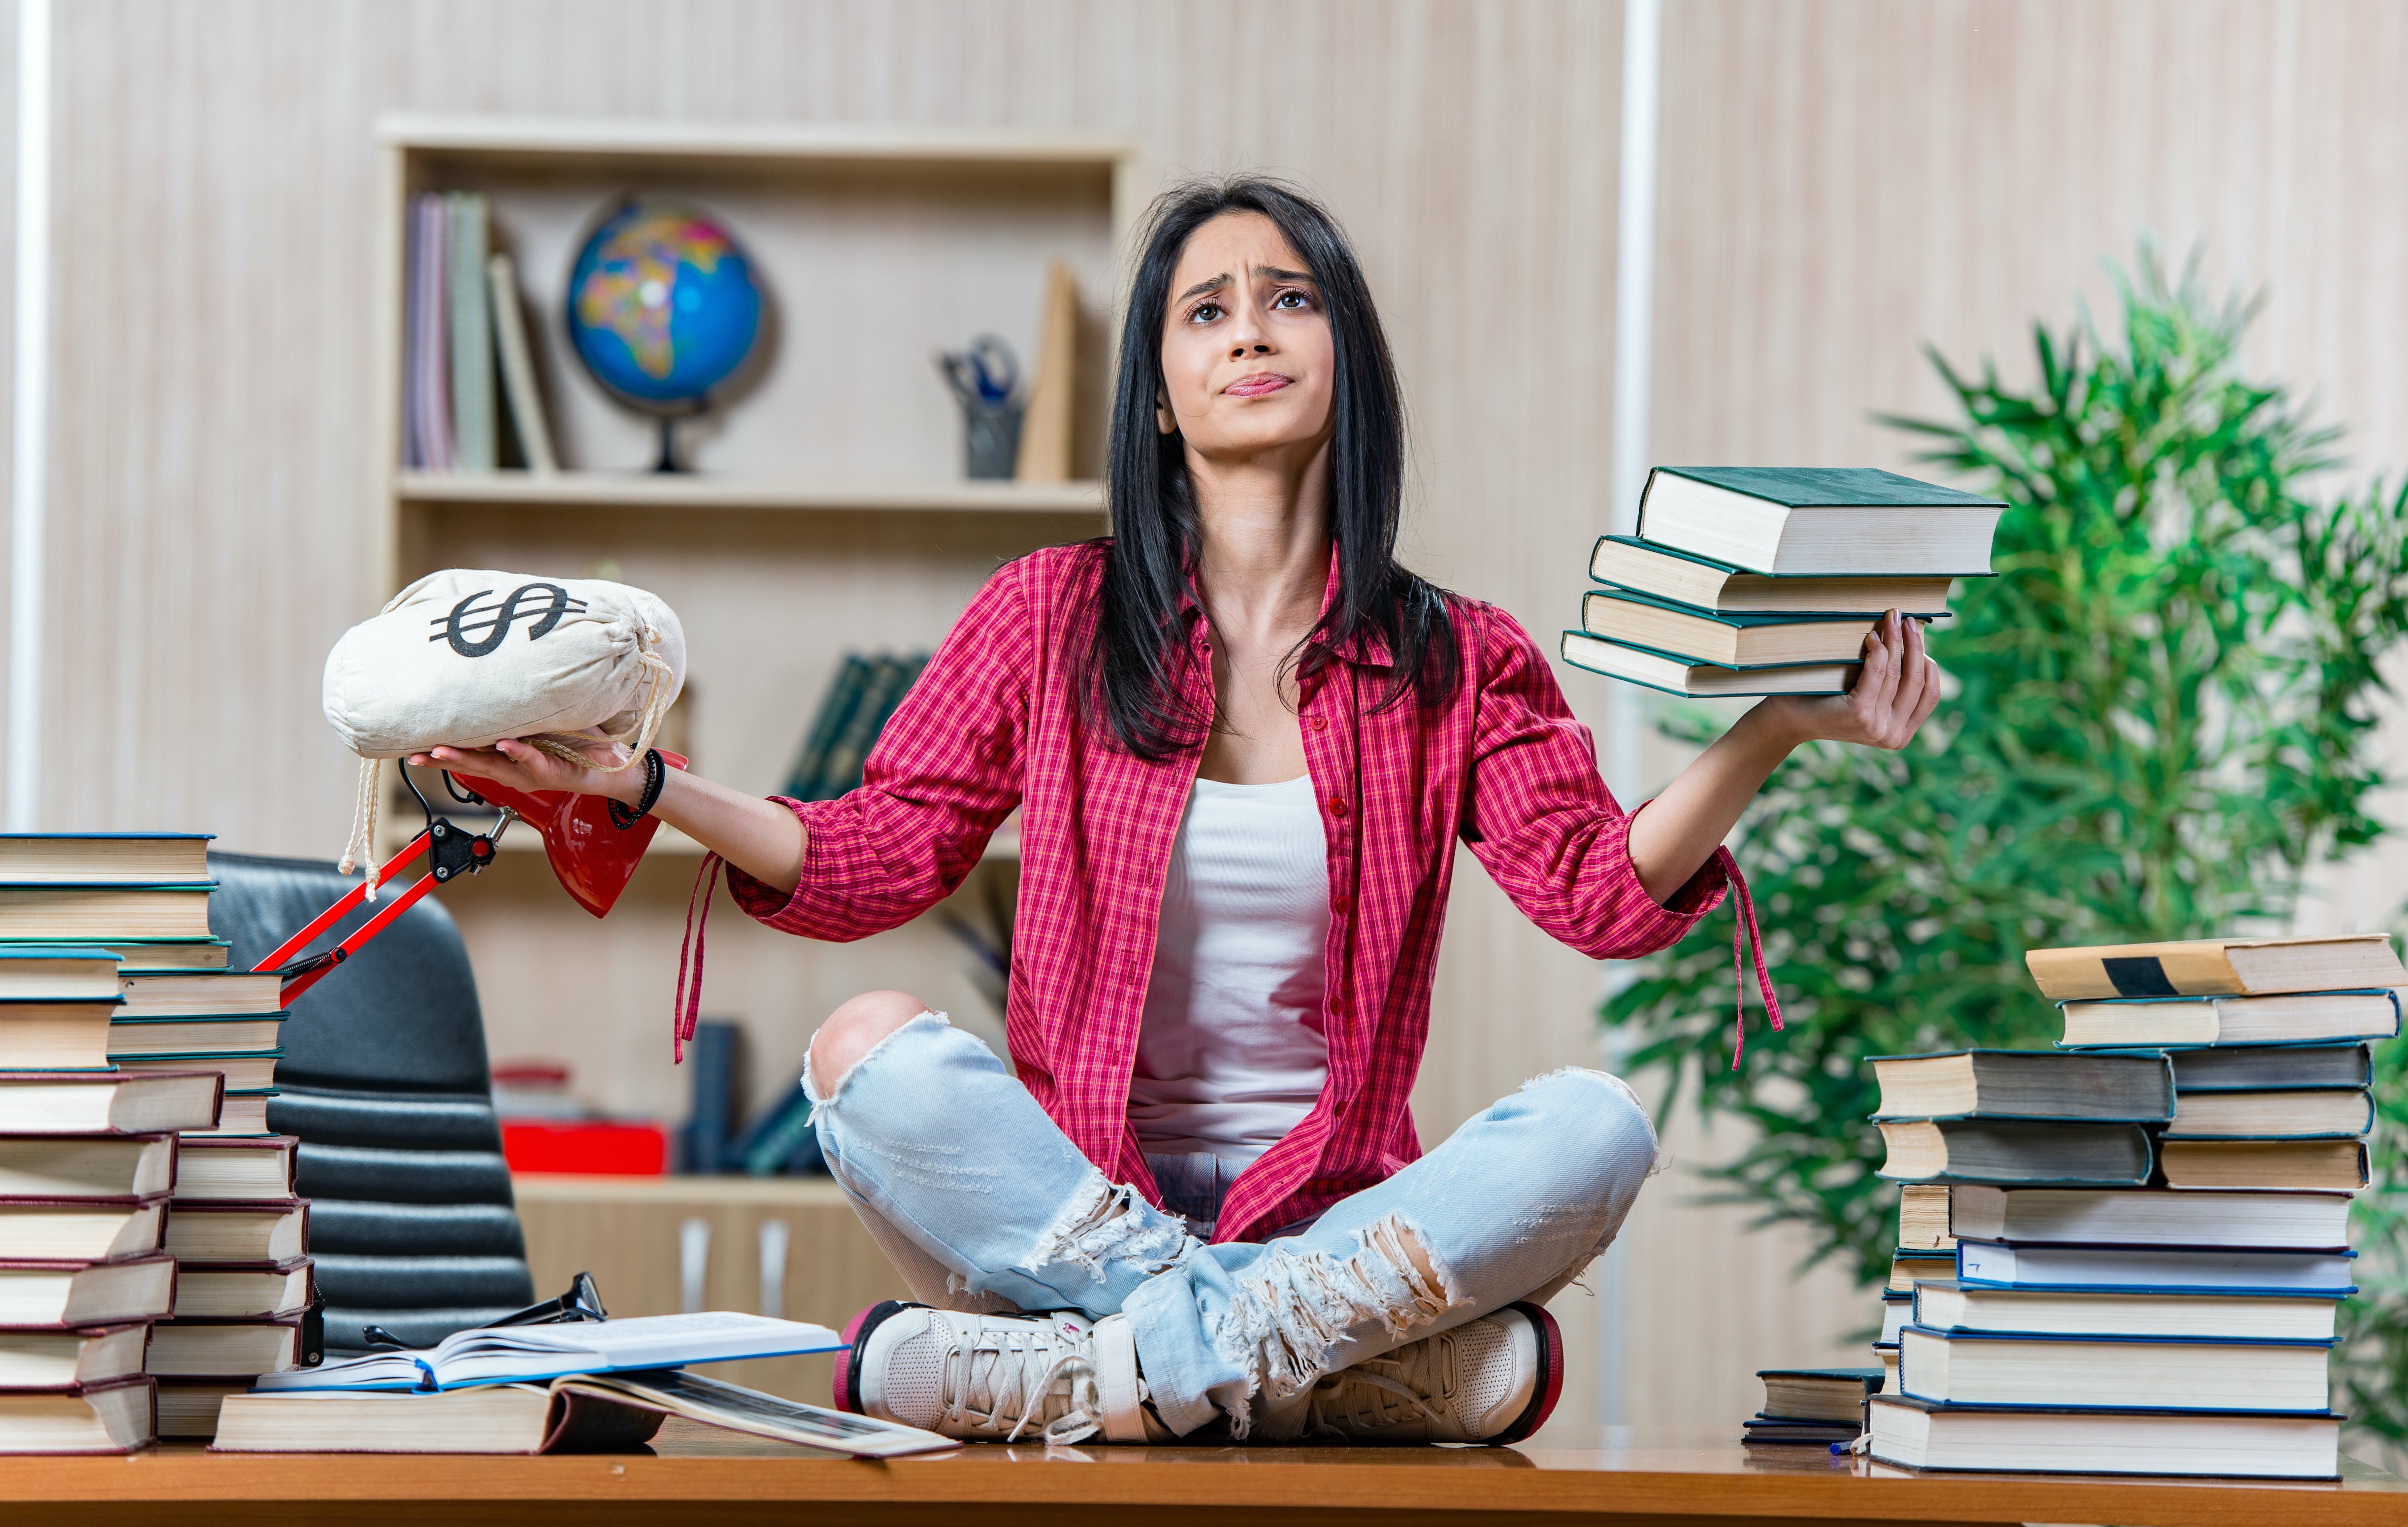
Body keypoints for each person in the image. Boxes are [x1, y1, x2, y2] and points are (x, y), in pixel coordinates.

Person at [415, 176, 1939, 1447]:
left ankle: (1106, 1375)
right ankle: (1289, 1368)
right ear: (1155, 390)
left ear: (1346, 354)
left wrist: (1774, 729)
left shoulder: (1454, 657)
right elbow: (879, 852)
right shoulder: (1045, 617)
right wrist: (655, 788)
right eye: (1204, 310)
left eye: (1289, 299)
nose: (1249, 332)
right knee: (865, 1049)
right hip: (1080, 1203)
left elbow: (1599, 896)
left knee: (1596, 1127)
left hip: (1337, 1221)